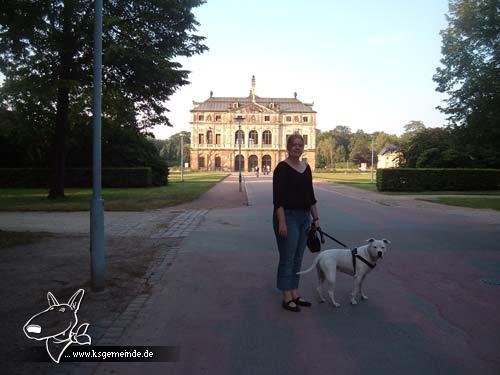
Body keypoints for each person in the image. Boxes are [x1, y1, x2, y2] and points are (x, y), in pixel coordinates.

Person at [273, 134, 320, 312]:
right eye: (294, 144)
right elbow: (277, 200)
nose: (297, 147)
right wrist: (282, 223)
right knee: (288, 257)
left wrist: (316, 219)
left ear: (303, 147)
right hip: (288, 216)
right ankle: (286, 295)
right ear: (288, 146)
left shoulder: (306, 168)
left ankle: (295, 292)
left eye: (300, 145)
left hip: (304, 217)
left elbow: (311, 197)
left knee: (299, 257)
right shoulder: (282, 168)